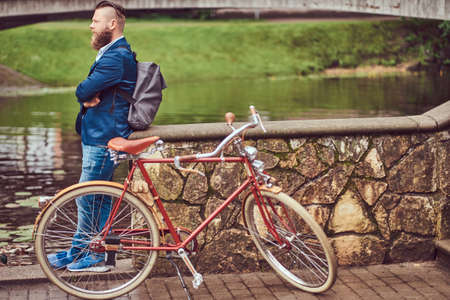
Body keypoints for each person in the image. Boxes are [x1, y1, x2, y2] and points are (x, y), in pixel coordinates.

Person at [47, 1, 137, 272]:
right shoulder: (112, 53)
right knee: (96, 197)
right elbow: (89, 91)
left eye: (96, 20)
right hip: (98, 134)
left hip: (104, 137)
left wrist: (83, 96)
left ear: (112, 24)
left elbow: (84, 89)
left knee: (87, 197)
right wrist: (86, 99)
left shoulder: (116, 56)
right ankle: (80, 251)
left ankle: (93, 256)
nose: (91, 25)